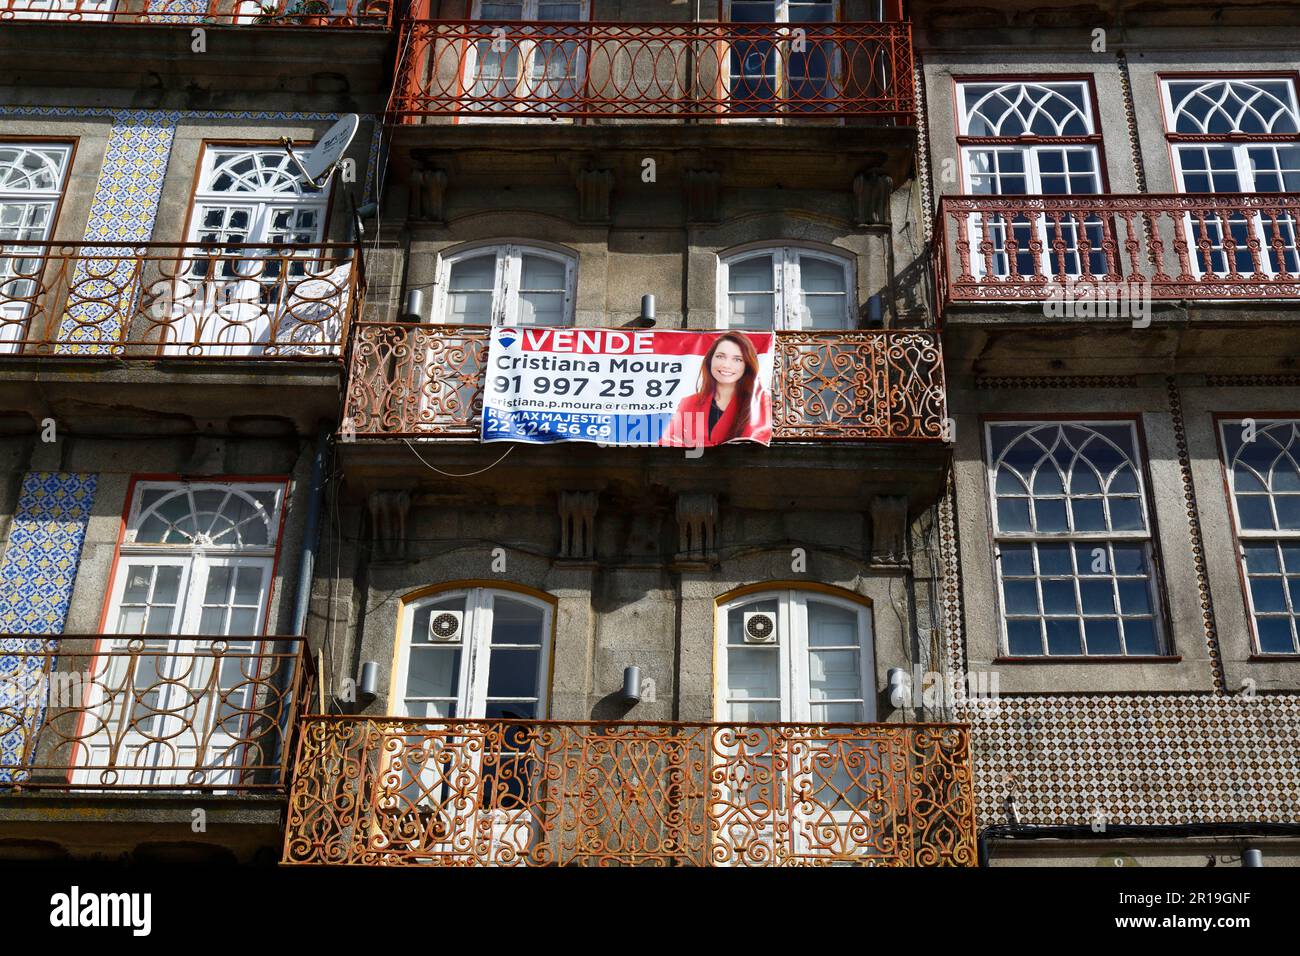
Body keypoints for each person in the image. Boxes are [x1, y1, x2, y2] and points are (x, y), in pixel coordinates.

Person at [660, 331, 772, 447]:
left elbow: (755, 444)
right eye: (720, 356)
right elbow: (667, 442)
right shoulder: (689, 402)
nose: (726, 365)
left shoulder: (759, 401)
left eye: (737, 359)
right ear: (710, 360)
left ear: (746, 366)